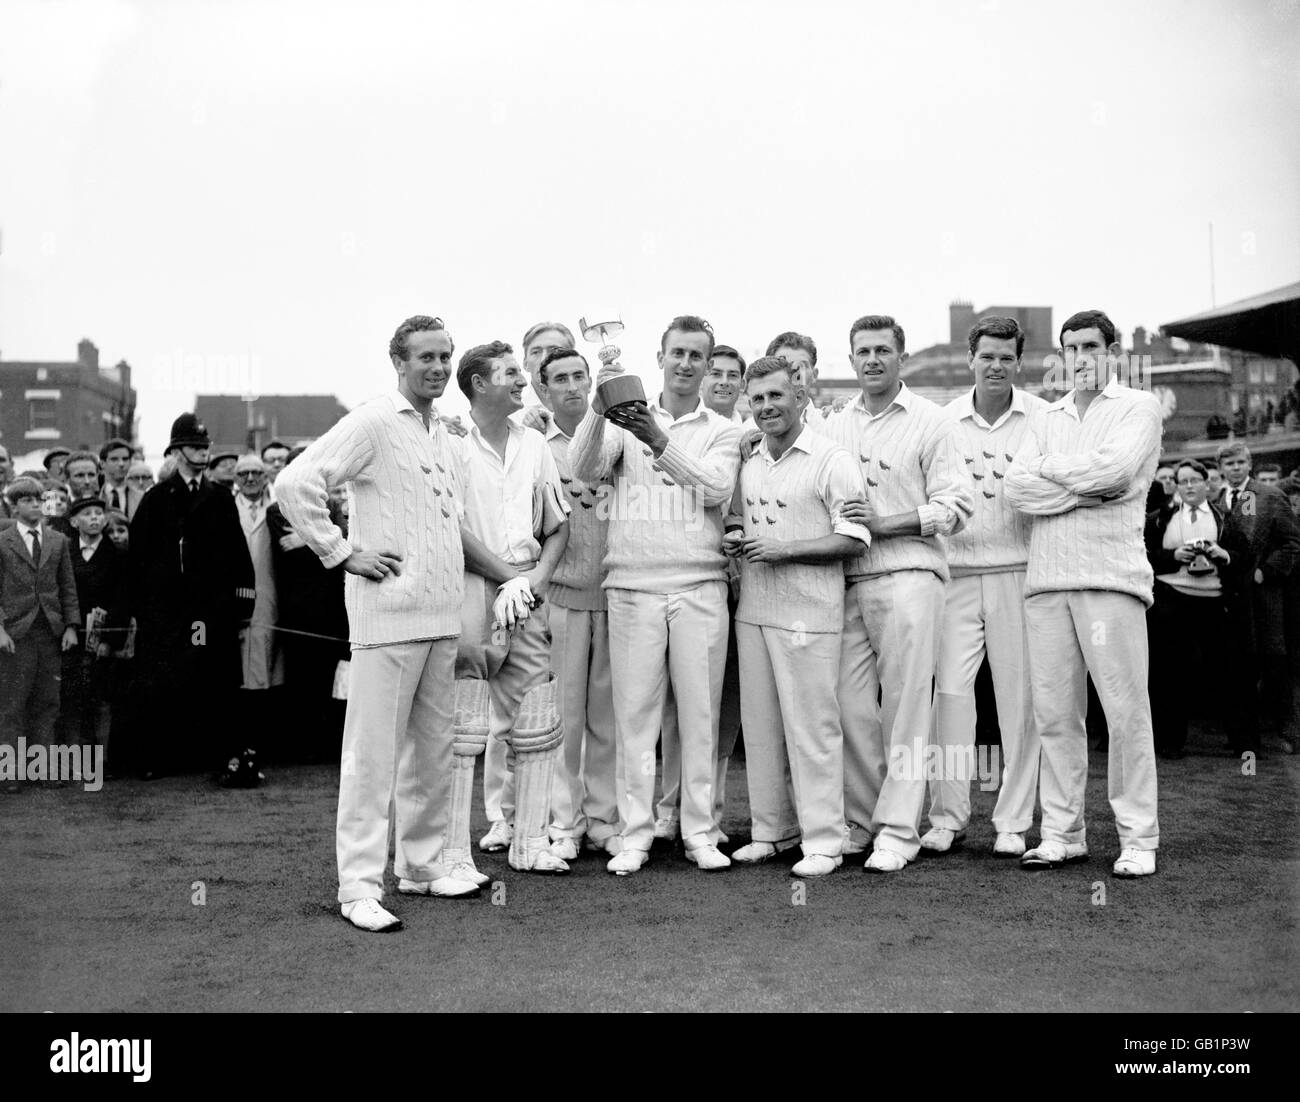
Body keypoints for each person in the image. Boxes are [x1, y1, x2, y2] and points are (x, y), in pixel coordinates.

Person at [276, 315, 480, 933]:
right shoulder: (371, 421)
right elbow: (295, 483)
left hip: (440, 617)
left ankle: (421, 866)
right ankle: (359, 887)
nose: (439, 368)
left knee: (433, 754)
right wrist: (342, 553)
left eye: (445, 356)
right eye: (426, 358)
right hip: (387, 619)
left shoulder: (443, 431)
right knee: (371, 760)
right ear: (398, 361)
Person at [571, 314, 744, 874]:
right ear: (661, 358)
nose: (688, 364)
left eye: (698, 355)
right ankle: (637, 834)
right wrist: (600, 410)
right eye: (679, 354)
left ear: (708, 362)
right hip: (631, 587)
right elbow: (582, 468)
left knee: (698, 717)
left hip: (698, 585)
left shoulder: (724, 430)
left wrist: (658, 438)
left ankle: (700, 833)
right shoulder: (623, 421)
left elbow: (715, 489)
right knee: (636, 719)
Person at [1005, 308, 1163, 878]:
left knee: (1124, 712)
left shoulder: (1140, 408)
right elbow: (1017, 489)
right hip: (1047, 581)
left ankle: (1138, 838)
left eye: (1091, 346)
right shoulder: (1047, 417)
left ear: (1113, 352)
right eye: (1070, 347)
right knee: (1054, 715)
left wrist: (1056, 477)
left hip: (1111, 580)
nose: (1079, 357)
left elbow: (1116, 472)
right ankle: (1062, 833)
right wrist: (1081, 489)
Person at [824, 314, 974, 873]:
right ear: (852, 359)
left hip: (911, 574)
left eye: (883, 350)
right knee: (848, 703)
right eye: (862, 351)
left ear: (901, 358)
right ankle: (862, 821)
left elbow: (957, 506)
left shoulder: (933, 422)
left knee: (906, 707)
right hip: (848, 581)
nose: (872, 360)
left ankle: (898, 830)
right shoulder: (835, 426)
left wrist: (884, 523)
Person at [725, 357, 870, 877]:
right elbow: (741, 519)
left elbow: (853, 540)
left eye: (776, 396)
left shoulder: (834, 459)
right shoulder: (749, 457)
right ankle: (773, 831)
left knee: (813, 731)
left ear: (801, 396)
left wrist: (785, 551)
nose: (766, 407)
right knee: (761, 731)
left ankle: (826, 841)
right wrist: (736, 538)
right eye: (757, 398)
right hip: (755, 612)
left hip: (810, 616)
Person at [924, 317, 1048, 858]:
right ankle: (947, 817)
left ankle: (1014, 821)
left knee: (1019, 701)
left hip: (1019, 574)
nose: (995, 366)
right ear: (970, 359)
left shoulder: (1044, 417)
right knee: (950, 698)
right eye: (986, 357)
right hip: (955, 575)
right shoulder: (942, 420)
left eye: (1005, 357)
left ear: (1018, 362)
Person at [447, 340, 571, 877]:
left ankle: (531, 842)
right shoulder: (449, 444)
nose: (524, 382)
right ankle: (451, 852)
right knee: (462, 725)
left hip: (526, 593)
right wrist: (509, 578)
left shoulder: (536, 443)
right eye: (512, 373)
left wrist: (535, 581)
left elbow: (559, 524)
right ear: (478, 383)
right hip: (471, 591)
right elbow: (453, 529)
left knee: (536, 719)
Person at [481, 320, 580, 821]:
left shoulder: (566, 426)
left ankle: (550, 819)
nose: (543, 365)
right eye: (536, 354)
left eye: (558, 354)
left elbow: (558, 523)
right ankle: (501, 816)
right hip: (492, 585)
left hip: (557, 589)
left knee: (546, 709)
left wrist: (532, 580)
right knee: (488, 711)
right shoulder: (468, 435)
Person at [126, 413, 256, 780]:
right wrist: (145, 611)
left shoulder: (219, 498)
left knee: (214, 680)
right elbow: (138, 560)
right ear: (177, 452)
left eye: (204, 447)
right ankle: (163, 758)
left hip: (210, 613)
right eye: (194, 447)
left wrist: (243, 606)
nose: (202, 453)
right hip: (168, 615)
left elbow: (239, 556)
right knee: (166, 680)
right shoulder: (156, 499)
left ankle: (214, 756)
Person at [657, 341, 747, 842]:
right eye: (717, 372)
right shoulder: (684, 434)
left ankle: (707, 811)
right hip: (694, 580)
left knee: (721, 707)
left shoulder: (751, 436)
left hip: (747, 586)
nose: (724, 381)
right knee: (677, 704)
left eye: (735, 375)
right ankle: (671, 809)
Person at [537, 348, 622, 860]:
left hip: (615, 594)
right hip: (563, 597)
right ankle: (563, 822)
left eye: (579, 377)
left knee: (607, 720)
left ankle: (604, 820)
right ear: (543, 390)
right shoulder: (534, 444)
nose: (572, 386)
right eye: (560, 379)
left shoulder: (618, 437)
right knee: (564, 719)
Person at [1144, 459, 1251, 758]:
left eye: (1194, 480)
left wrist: (1223, 554)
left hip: (1214, 602)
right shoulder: (1158, 518)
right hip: (1171, 602)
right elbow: (1142, 557)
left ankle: (1243, 743)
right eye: (1183, 481)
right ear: (1175, 486)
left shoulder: (1225, 517)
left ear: (1207, 483)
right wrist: (1173, 555)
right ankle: (1169, 742)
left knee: (1227, 671)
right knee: (1169, 674)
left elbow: (1245, 556)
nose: (1189, 486)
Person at [1216, 441, 1300, 753]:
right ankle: (1240, 736)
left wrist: (1267, 571)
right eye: (1229, 464)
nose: (1235, 468)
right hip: (1228, 598)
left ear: (1249, 464)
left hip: (1264, 598)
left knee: (1273, 663)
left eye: (1240, 462)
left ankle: (1286, 733)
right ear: (1221, 469)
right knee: (1237, 666)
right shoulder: (1214, 500)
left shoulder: (1270, 496)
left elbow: (1292, 543)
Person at [267, 447, 349, 760]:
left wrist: (306, 540)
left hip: (330, 607)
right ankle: (299, 745)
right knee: (298, 676)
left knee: (328, 677)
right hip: (296, 607)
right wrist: (326, 541)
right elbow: (289, 551)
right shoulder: (276, 511)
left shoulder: (331, 504)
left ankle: (327, 744)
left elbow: (344, 543)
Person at [0, 478, 81, 792]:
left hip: (49, 631)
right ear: (16, 505)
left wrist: (71, 626)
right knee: (12, 704)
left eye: (39, 499)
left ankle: (45, 769)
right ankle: (10, 773)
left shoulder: (58, 541)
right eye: (28, 499)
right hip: (16, 633)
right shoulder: (3, 542)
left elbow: (68, 587)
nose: (35, 504)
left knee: (48, 703)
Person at [57, 496, 127, 758]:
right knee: (72, 697)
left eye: (99, 513)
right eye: (87, 514)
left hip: (105, 634)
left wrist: (110, 640)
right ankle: (75, 756)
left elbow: (122, 598)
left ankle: (103, 759)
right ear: (74, 522)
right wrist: (69, 626)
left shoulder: (118, 554)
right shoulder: (65, 552)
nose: (95, 518)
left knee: (102, 698)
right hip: (73, 633)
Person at [227, 454, 283, 782]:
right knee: (237, 675)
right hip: (235, 601)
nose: (250, 478)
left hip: (269, 596)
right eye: (243, 473)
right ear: (235, 478)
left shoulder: (278, 506)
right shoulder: (226, 507)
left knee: (265, 673)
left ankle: (259, 748)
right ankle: (238, 748)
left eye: (256, 472)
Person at [699, 345, 746, 423]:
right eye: (716, 374)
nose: (724, 382)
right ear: (700, 380)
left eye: (732, 375)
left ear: (742, 385)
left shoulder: (749, 430)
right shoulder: (679, 427)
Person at [99, 439, 143, 519]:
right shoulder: (96, 496)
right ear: (102, 463)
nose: (121, 464)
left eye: (125, 459)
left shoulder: (141, 498)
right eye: (114, 459)